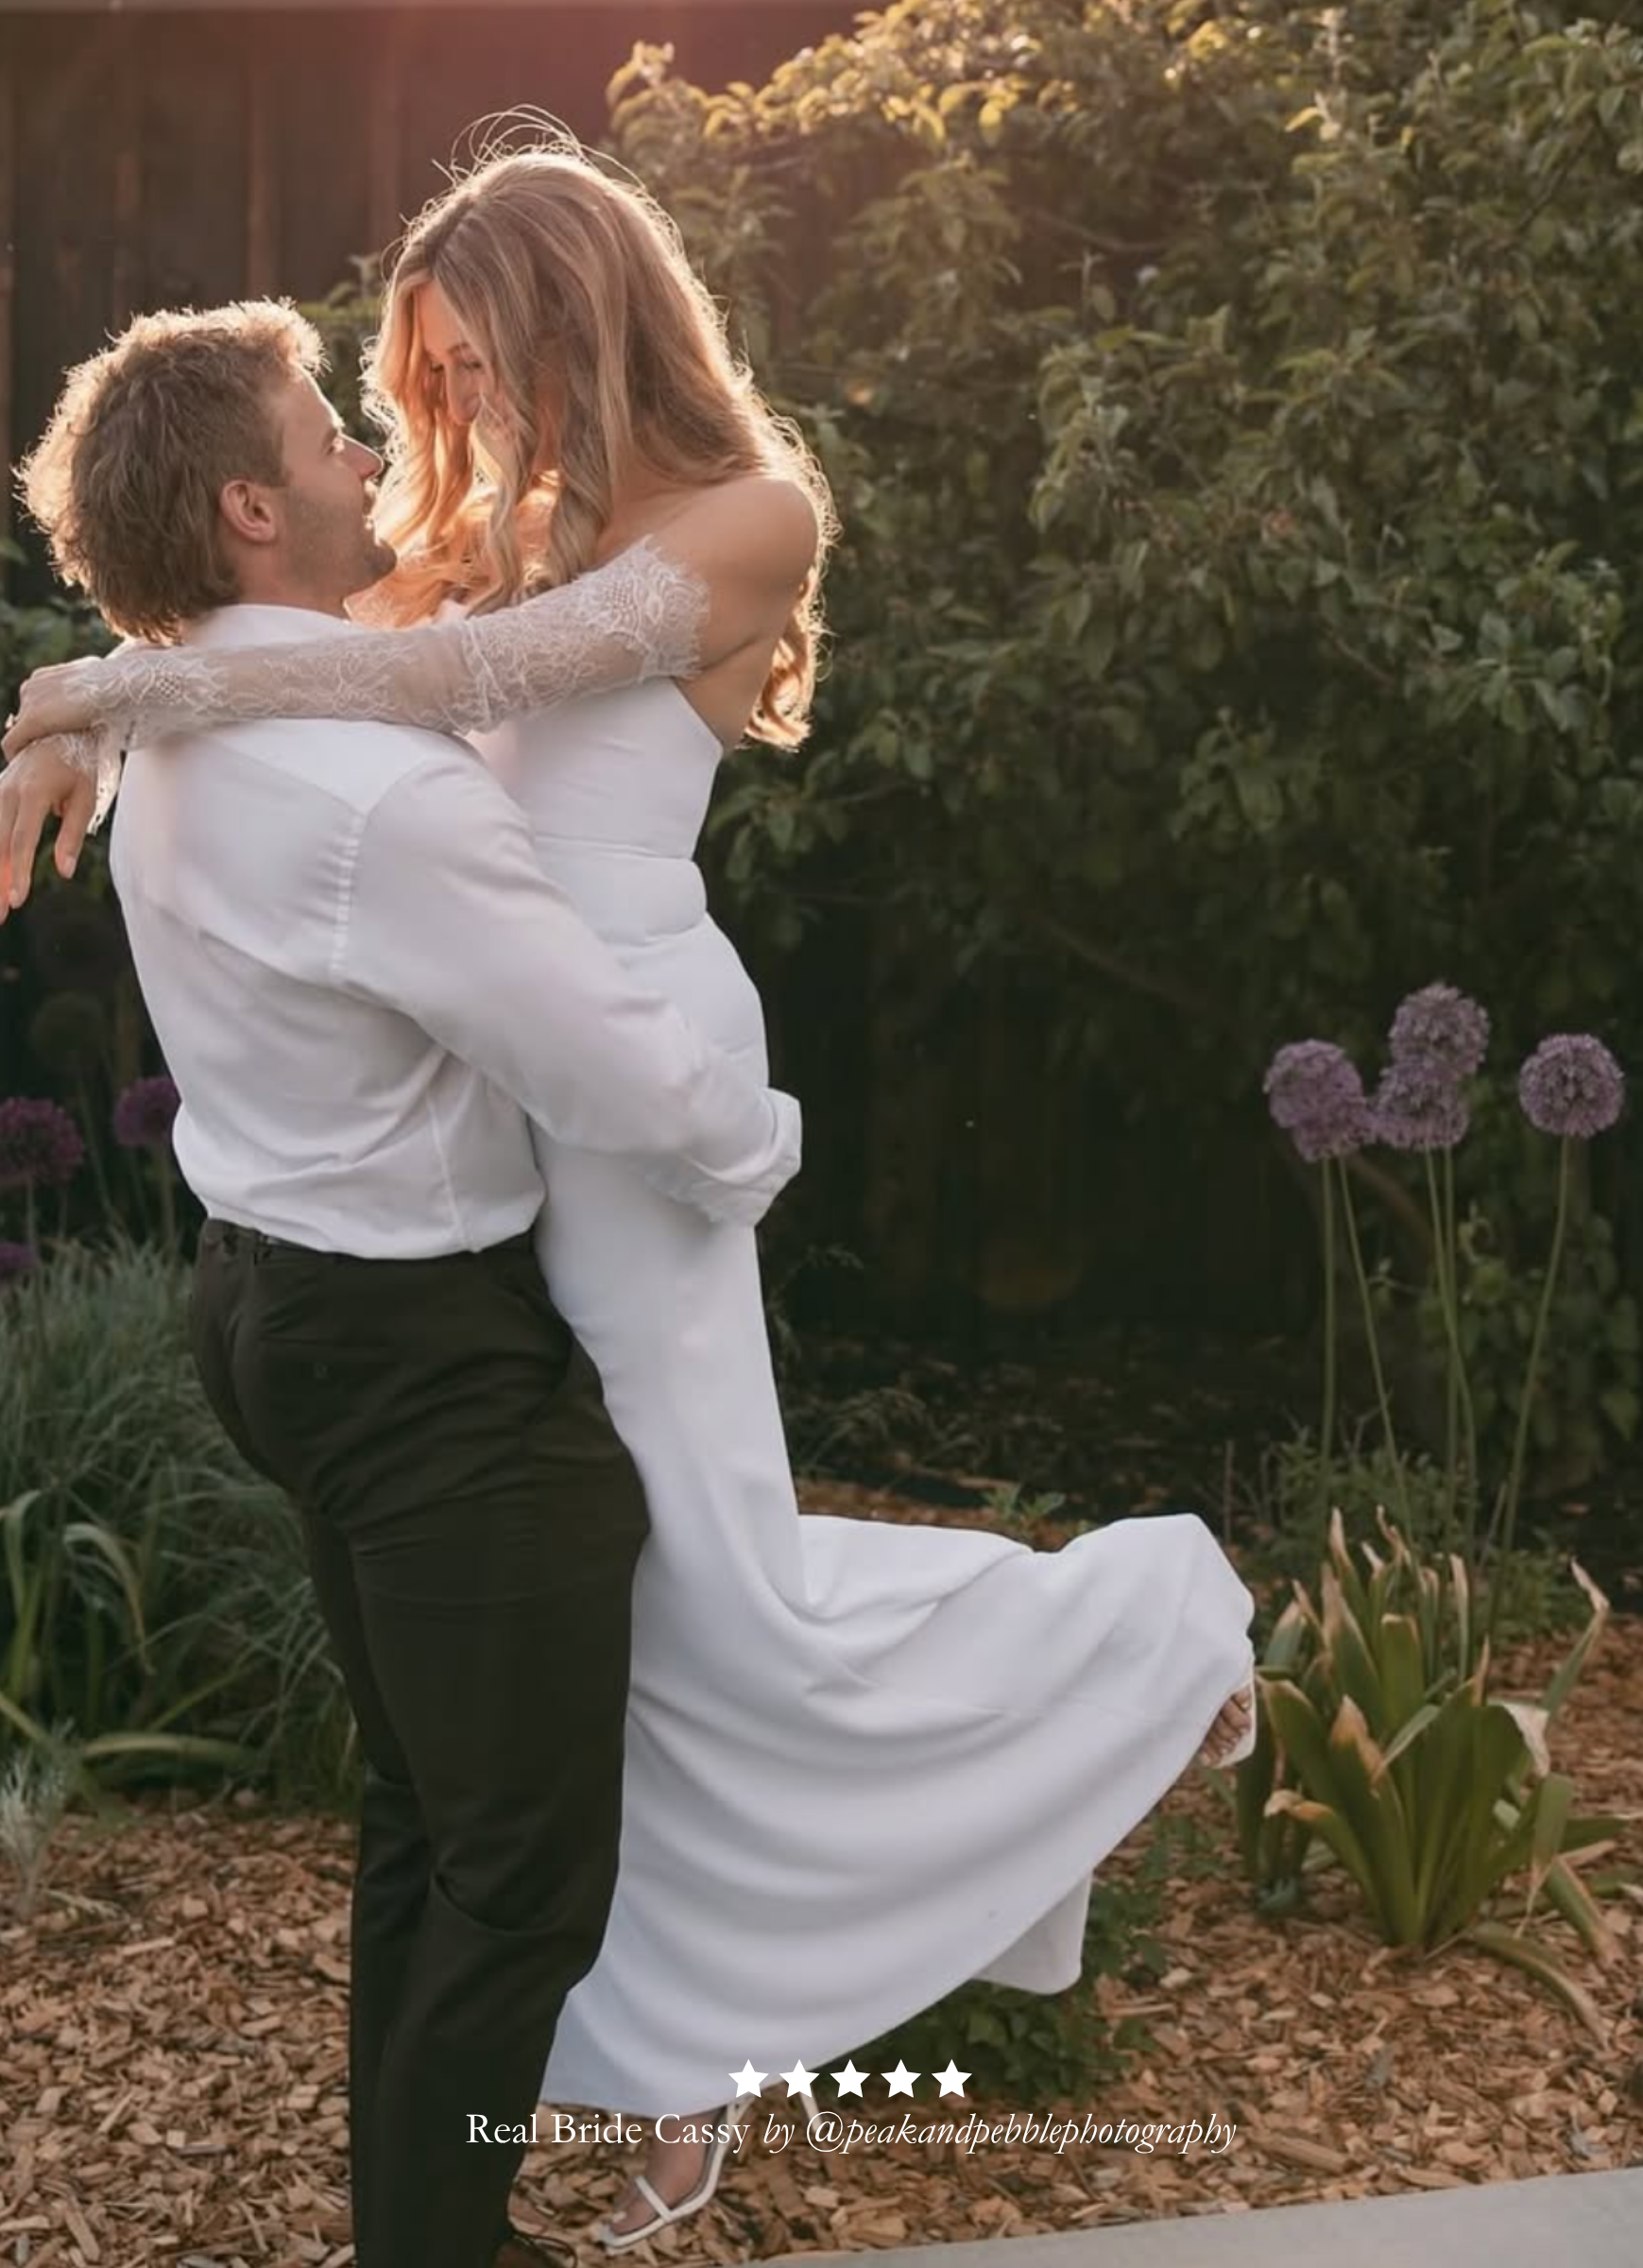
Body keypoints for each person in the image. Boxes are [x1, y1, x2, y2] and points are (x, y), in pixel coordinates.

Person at [2, 136, 1257, 2255]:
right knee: (633, 1610)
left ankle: (1151, 1634)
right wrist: (84, 693)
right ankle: (681, 2038)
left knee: (726, 1583)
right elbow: (298, 644)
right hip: (531, 1084)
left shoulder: (748, 516)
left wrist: (88, 692)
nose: (439, 428)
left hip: (645, 1071)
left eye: (474, 370)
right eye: (417, 384)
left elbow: (419, 686)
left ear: (587, 321)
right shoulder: (494, 518)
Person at [6, 297, 803, 2268]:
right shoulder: (375, 794)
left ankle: (416, 2235)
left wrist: (76, 685)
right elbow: (600, 1067)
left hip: (274, 1312)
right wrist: (749, 1141)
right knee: (521, 1877)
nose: (376, 458)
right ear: (250, 505)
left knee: (428, 1824)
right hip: (422, 1365)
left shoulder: (209, 727)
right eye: (327, 437)